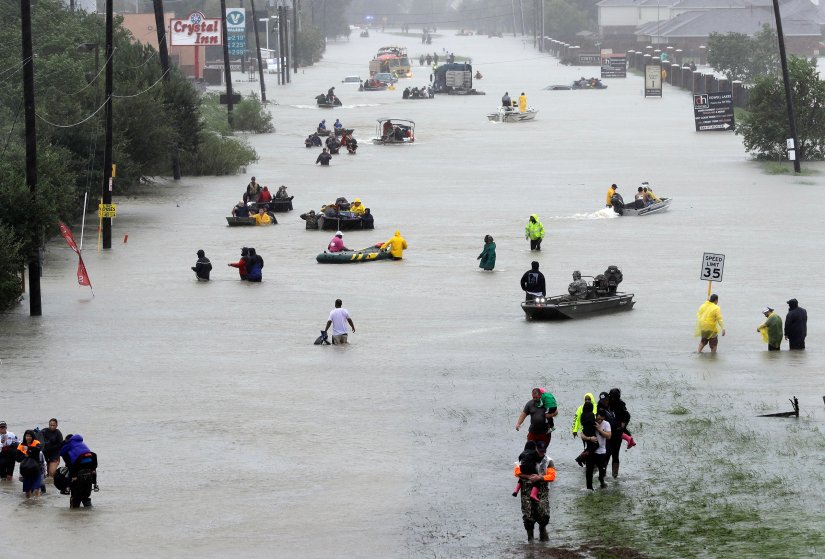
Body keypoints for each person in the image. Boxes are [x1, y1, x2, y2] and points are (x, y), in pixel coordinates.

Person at [516, 440, 553, 542]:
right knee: (528, 516)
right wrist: (528, 476)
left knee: (544, 514)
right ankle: (530, 540)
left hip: (542, 490)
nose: (542, 453)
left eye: (543, 451)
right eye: (540, 450)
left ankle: (542, 531)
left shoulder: (549, 461)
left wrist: (540, 478)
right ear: (535, 448)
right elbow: (517, 472)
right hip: (526, 489)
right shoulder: (525, 457)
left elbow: (552, 476)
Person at [60, 434, 98, 508]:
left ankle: (67, 489)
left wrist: (73, 477)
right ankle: (95, 484)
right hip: (90, 468)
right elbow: (93, 455)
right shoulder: (82, 444)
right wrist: (93, 471)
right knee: (86, 497)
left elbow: (69, 465)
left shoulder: (68, 448)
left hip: (78, 471)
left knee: (75, 498)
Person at [582, 408, 611, 490]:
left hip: (602, 451)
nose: (600, 421)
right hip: (591, 451)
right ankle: (589, 488)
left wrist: (599, 429)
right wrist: (590, 438)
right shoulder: (591, 422)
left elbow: (609, 436)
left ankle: (601, 481)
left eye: (602, 419)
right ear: (595, 416)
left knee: (602, 471)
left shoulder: (606, 424)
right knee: (589, 471)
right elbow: (582, 435)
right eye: (598, 419)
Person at [606, 388, 633, 478]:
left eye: (614, 397)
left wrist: (624, 424)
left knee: (615, 454)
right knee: (607, 453)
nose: (612, 399)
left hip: (617, 433)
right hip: (608, 432)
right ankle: (603, 473)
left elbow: (627, 415)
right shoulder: (607, 404)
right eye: (611, 397)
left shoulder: (621, 405)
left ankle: (614, 475)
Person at [16, 430, 46, 499]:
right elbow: (17, 458)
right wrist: (25, 455)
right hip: (26, 470)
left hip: (36, 469)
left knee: (37, 488)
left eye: (30, 436)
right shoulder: (21, 445)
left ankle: (37, 503)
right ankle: (28, 503)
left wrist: (29, 448)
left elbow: (39, 450)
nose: (28, 437)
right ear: (24, 437)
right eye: (27, 436)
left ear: (33, 437)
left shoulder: (36, 443)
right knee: (27, 490)